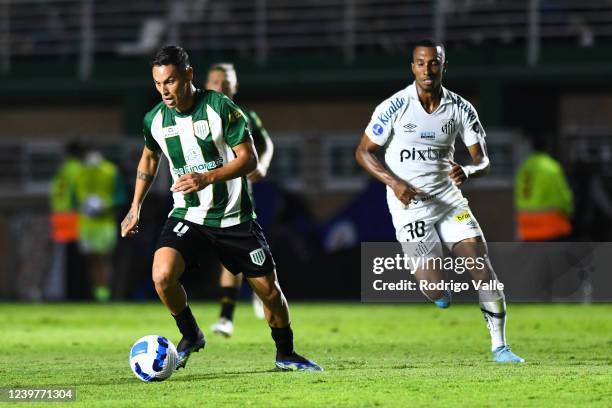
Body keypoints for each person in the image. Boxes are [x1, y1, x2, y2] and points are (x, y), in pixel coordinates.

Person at [120, 45, 321, 371]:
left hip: (234, 217)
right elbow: (150, 156)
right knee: (162, 275)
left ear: (188, 75)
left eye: (170, 81)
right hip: (188, 214)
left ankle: (285, 353)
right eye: (158, 84)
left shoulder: (219, 107)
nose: (165, 91)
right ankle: (191, 334)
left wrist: (206, 177)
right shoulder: (155, 119)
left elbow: (249, 158)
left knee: (269, 293)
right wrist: (135, 206)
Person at [355, 39, 524, 363]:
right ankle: (439, 292)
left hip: (449, 202)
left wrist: (470, 171)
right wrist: (394, 182)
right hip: (410, 205)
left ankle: (500, 347)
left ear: (443, 66)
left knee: (481, 266)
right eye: (420, 63)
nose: (427, 69)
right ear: (412, 67)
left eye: (433, 62)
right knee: (434, 288)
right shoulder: (394, 106)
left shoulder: (460, 108)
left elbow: (483, 160)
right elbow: (363, 152)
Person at [205, 62, 274, 337]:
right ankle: (259, 287)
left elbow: (267, 144)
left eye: (226, 82)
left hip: (236, 195)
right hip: (203, 197)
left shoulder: (244, 116)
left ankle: (226, 317)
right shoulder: (195, 115)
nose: (220, 86)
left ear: (235, 87)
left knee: (231, 255)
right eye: (215, 82)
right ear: (206, 84)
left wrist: (264, 165)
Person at [75, 148, 126, 302]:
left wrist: (107, 205)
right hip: (86, 223)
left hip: (105, 223)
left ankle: (106, 295)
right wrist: (82, 205)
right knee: (92, 260)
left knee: (105, 260)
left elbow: (120, 196)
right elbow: (74, 197)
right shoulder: (80, 172)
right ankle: (97, 293)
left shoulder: (110, 170)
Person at [515, 135, 573, 241]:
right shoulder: (551, 167)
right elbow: (563, 196)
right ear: (547, 148)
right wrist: (569, 211)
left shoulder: (524, 167)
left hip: (526, 226)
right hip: (549, 227)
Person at [46, 141, 84, 300]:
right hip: (72, 216)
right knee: (75, 259)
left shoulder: (61, 170)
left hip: (58, 216)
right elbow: (80, 193)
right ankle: (74, 293)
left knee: (60, 258)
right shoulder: (78, 169)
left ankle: (59, 292)